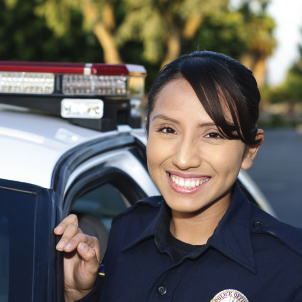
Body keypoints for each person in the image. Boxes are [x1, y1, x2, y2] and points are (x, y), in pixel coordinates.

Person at [54, 51, 302, 302]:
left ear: (250, 150)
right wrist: (80, 294)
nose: (184, 159)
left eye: (213, 134)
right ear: (147, 131)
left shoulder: (291, 268)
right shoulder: (127, 228)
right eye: (168, 129)